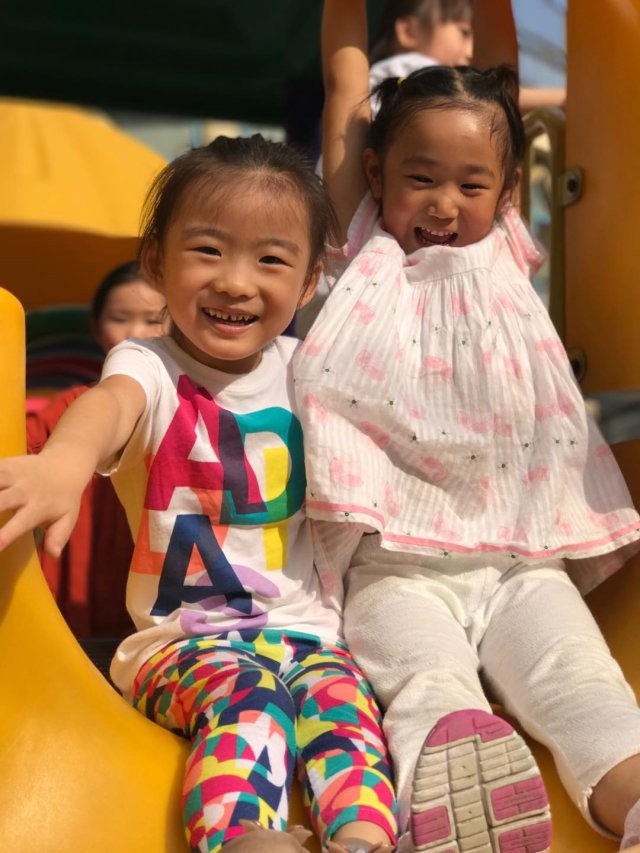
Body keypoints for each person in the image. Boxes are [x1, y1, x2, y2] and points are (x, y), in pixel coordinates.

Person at [293, 2, 640, 851]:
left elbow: (502, 63)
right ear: (375, 176)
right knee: (429, 684)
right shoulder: (364, 242)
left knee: (586, 686)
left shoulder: (505, 243)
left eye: (471, 185)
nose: (445, 202)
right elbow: (345, 80)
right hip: (393, 563)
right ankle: (455, 799)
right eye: (420, 178)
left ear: (506, 190)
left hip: (522, 557)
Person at [0, 134, 398, 853]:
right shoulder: (148, 365)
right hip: (179, 647)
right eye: (208, 251)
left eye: (270, 260)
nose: (235, 282)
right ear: (157, 261)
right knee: (252, 698)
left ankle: (364, 841)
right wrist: (64, 460)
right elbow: (109, 406)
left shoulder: (309, 369)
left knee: (349, 713)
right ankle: (242, 839)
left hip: (310, 636)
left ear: (310, 280)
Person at [26, 260, 167, 639]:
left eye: (153, 320)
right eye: (120, 318)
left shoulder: (185, 409)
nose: (134, 333)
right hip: (75, 583)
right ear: (96, 326)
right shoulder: (71, 403)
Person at [369, 0, 565, 114]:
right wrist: (562, 99)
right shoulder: (403, 69)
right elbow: (488, 97)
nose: (471, 52)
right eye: (464, 33)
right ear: (409, 32)